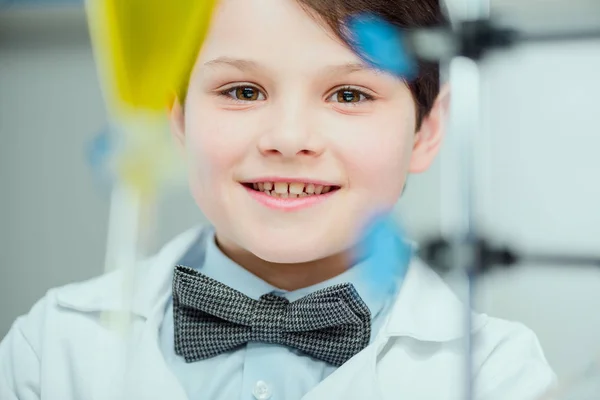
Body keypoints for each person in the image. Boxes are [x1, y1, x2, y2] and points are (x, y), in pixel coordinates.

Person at [0, 0, 556, 399]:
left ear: (428, 129)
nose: (289, 139)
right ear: (178, 115)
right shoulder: (53, 348)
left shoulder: (499, 375)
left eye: (349, 94)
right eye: (243, 91)